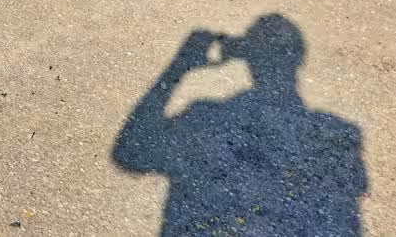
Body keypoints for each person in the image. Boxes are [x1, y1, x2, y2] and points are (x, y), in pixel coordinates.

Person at [113, 14, 367, 236]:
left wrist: (178, 67)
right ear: (297, 60)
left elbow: (130, 153)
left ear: (247, 57)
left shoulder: (201, 119)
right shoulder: (338, 134)